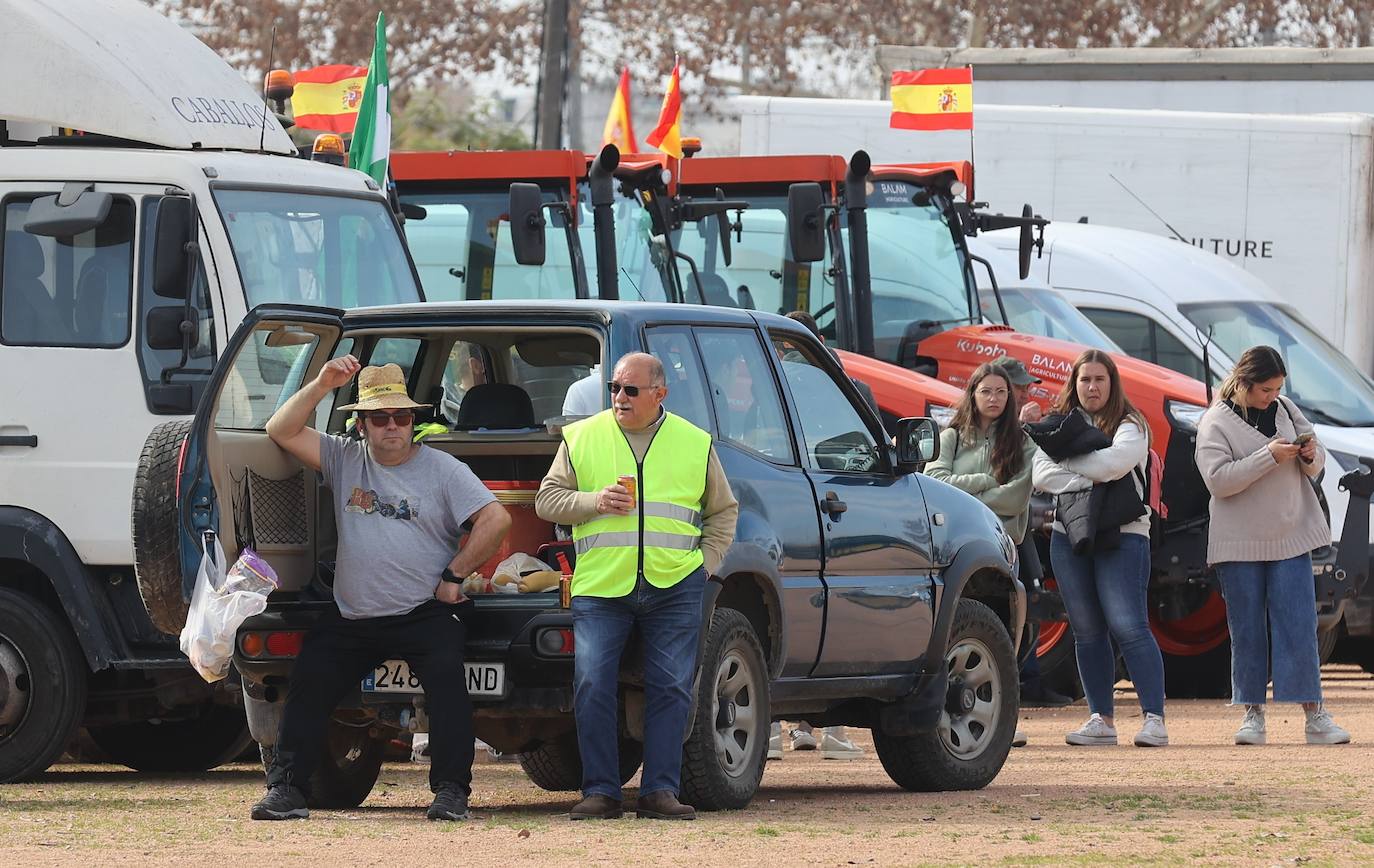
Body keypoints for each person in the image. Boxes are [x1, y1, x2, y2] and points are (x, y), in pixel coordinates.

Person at [250, 360, 512, 821]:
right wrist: (322, 384)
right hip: (353, 617)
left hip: (421, 612)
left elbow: (496, 519)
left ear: (414, 420)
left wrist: (453, 576)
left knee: (449, 682)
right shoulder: (343, 457)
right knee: (308, 680)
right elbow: (281, 429)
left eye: (402, 416)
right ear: (361, 424)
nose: (393, 426)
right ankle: (287, 790)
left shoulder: (444, 469)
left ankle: (451, 793)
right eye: (380, 417)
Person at [536, 352, 739, 821]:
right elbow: (547, 500)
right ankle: (602, 791)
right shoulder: (583, 436)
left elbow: (723, 511)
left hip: (675, 584)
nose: (620, 397)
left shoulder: (693, 441)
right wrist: (593, 501)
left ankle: (659, 791)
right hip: (601, 586)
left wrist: (704, 566)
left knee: (670, 686)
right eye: (615, 388)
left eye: (631, 389)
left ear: (659, 393)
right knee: (592, 683)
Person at [1194, 345, 1350, 746]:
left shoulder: (1285, 409)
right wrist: (1268, 457)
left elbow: (1317, 465)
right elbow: (1218, 481)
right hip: (1238, 542)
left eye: (1278, 388)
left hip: (1290, 535)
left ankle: (1315, 713)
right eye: (1266, 389)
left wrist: (1310, 455)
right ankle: (1252, 712)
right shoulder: (1215, 421)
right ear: (1244, 384)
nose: (1273, 396)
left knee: (1299, 625)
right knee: (1246, 630)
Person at [1030, 349, 1168, 748]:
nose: (1092, 387)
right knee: (1087, 631)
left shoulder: (1132, 424)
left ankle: (1154, 718)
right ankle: (1101, 719)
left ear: (1113, 383)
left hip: (1124, 534)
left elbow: (1116, 465)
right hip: (1066, 534)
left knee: (1129, 626)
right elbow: (1041, 475)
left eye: (1099, 380)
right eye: (1085, 379)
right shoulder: (1056, 424)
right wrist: (1089, 479)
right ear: (1074, 383)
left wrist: (1070, 467)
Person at [925, 362, 1038, 745]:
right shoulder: (952, 436)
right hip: (955, 549)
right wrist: (986, 480)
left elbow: (1018, 495)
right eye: (986, 391)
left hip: (1001, 551)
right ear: (972, 394)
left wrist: (968, 496)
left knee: (1002, 636)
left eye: (1001, 392)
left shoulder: (1022, 442)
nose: (994, 399)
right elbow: (935, 479)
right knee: (954, 632)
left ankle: (1004, 719)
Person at [991, 356, 1071, 710]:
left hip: (1021, 528)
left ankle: (1029, 680)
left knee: (1030, 600)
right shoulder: (983, 430)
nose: (1026, 392)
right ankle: (1016, 683)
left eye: (1025, 386)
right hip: (998, 530)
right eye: (1020, 386)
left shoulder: (1018, 428)